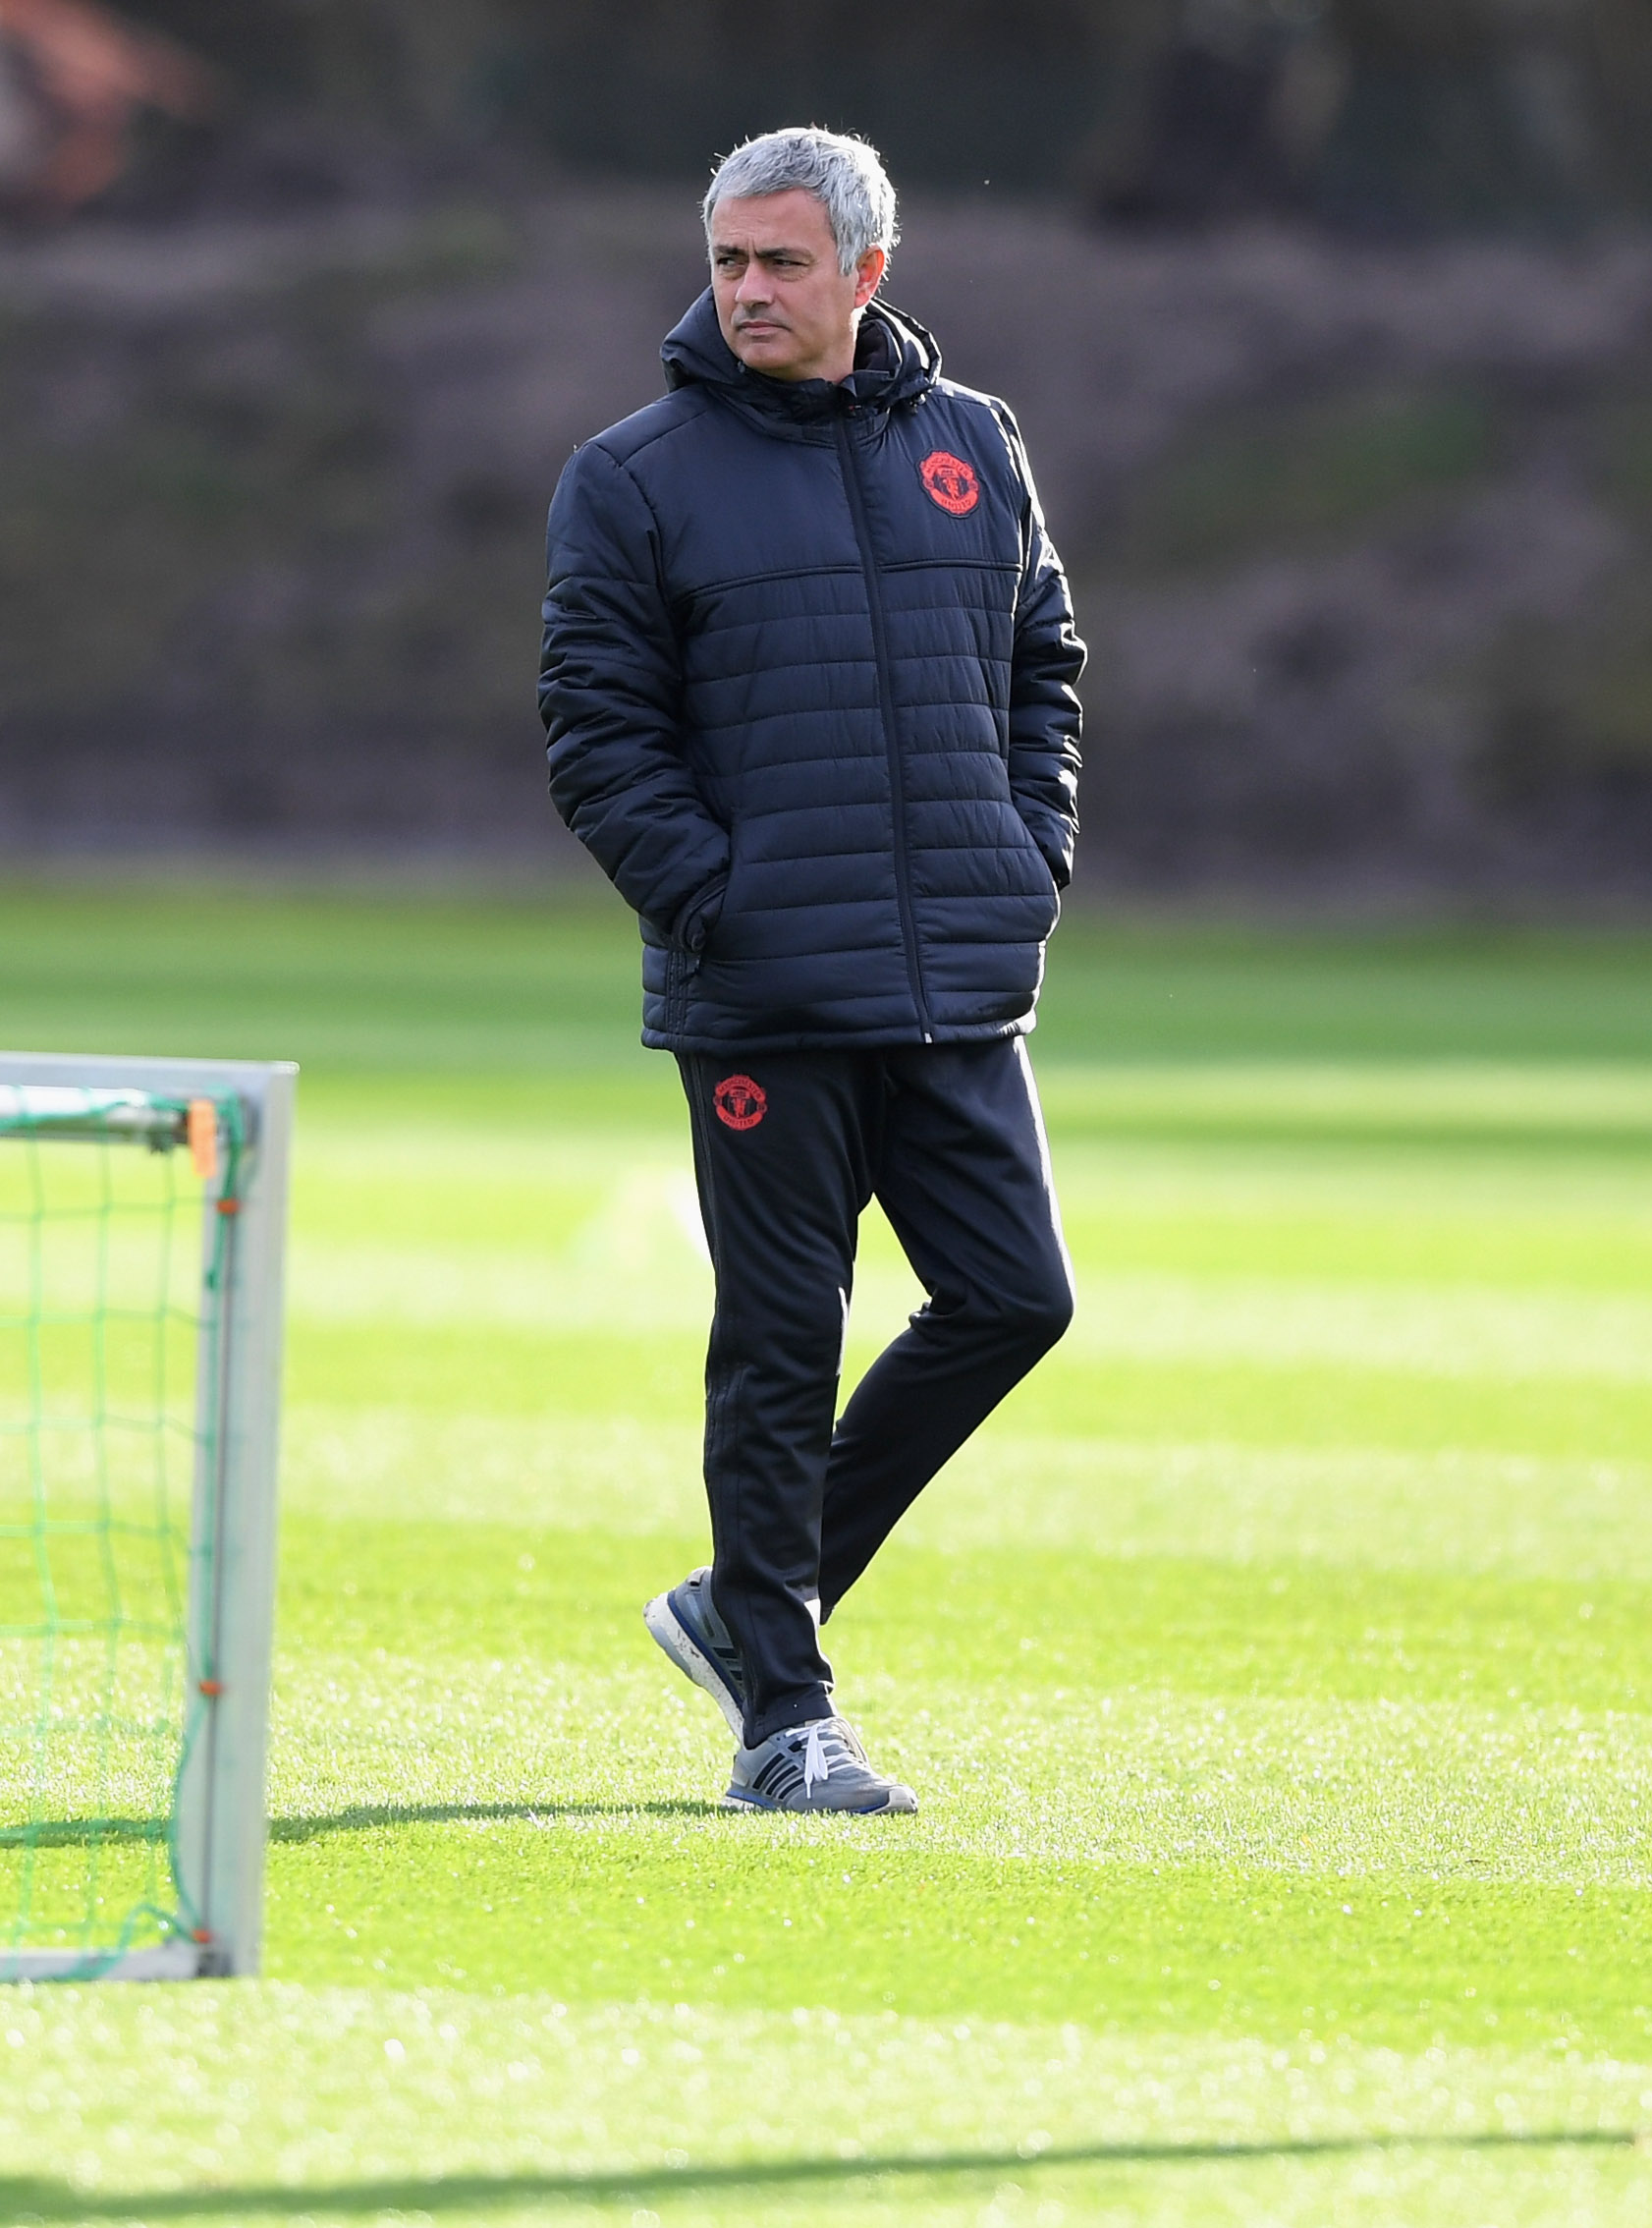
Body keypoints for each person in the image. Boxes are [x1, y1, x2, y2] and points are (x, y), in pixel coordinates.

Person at [539, 127, 1083, 1816]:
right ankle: (786, 1718)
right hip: (765, 990)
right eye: (727, 261)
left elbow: (1042, 670)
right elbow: (596, 736)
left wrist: (1026, 858)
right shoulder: (632, 476)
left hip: (955, 983)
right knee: (783, 1343)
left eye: (782, 261)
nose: (747, 290)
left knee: (1016, 1299)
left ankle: (736, 1606)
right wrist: (725, 905)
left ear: (869, 271)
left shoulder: (972, 446)